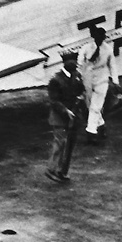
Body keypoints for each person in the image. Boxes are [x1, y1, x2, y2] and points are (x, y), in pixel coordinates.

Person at [46, 50, 85, 183]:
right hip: (59, 117)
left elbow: (81, 90)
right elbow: (53, 100)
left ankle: (62, 171)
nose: (75, 64)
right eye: (72, 62)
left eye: (76, 61)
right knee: (60, 142)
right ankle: (51, 169)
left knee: (70, 145)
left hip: (74, 116)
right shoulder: (55, 80)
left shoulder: (77, 76)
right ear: (65, 63)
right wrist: (66, 111)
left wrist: (81, 98)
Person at [79, 26, 116, 144]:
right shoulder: (85, 48)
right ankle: (101, 125)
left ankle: (91, 132)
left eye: (102, 37)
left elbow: (112, 66)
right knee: (90, 106)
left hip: (102, 80)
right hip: (88, 80)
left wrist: (115, 81)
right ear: (94, 37)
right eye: (98, 37)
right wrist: (78, 78)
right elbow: (79, 64)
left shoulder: (108, 49)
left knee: (96, 106)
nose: (100, 39)